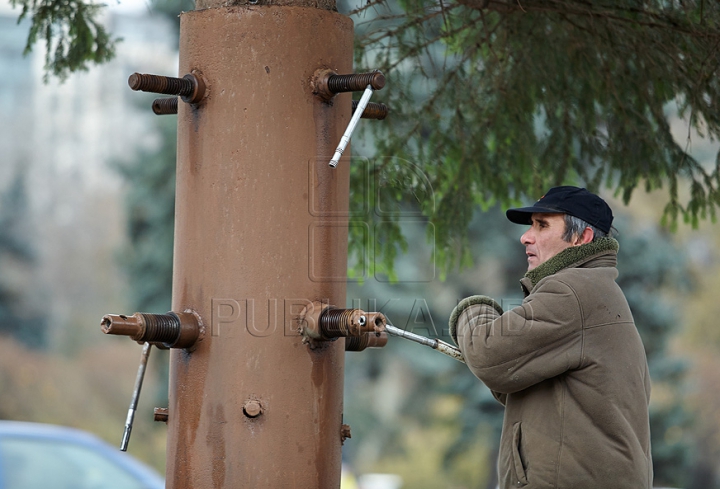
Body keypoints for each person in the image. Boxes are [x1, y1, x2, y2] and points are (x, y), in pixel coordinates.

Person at [448, 186, 652, 489]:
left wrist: (473, 309)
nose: (526, 236)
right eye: (532, 225)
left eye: (542, 225)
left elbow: (488, 353)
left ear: (582, 238)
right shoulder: (596, 289)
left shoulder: (572, 290)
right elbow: (517, 383)